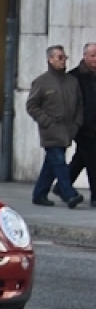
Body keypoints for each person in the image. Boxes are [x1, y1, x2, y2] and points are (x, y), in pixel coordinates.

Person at [26, 45, 84, 209]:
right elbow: (32, 105)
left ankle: (39, 193)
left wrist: (76, 124)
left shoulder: (72, 82)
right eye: (59, 57)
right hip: (50, 130)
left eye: (64, 57)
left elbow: (79, 104)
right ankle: (69, 194)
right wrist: (46, 121)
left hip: (67, 130)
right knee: (59, 162)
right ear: (50, 59)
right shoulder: (42, 82)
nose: (63, 60)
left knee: (51, 165)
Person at [51, 41, 96, 207]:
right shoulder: (74, 77)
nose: (95, 60)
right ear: (84, 56)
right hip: (82, 125)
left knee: (82, 158)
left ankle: (62, 186)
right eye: (92, 56)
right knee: (92, 159)